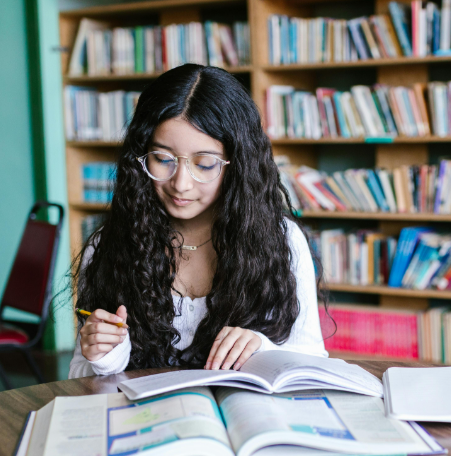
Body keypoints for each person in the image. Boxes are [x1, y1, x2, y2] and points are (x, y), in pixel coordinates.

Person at [69, 64, 328, 379]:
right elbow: (79, 377)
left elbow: (314, 363)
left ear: (238, 165)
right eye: (162, 159)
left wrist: (261, 347)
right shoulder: (109, 245)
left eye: (205, 164)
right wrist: (104, 356)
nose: (181, 184)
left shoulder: (283, 240)